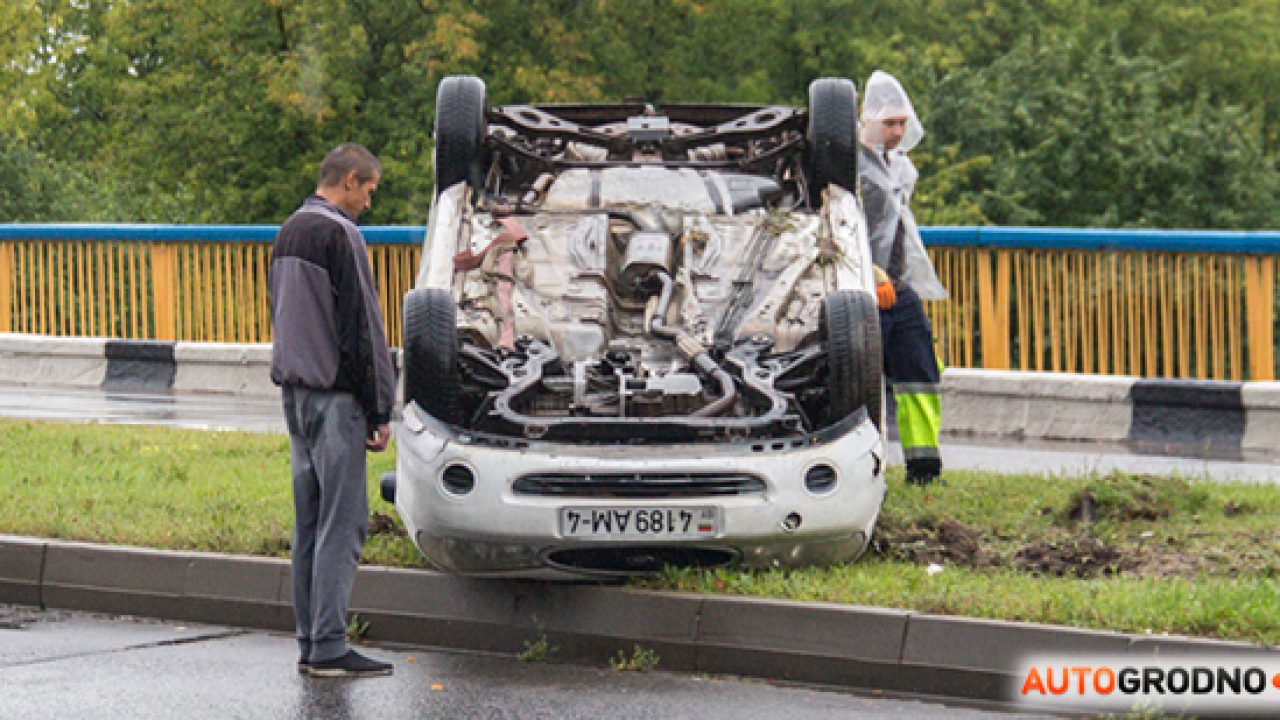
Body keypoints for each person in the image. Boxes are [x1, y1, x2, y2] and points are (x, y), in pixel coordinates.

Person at [269, 143, 396, 677]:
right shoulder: (340, 234)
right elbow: (362, 330)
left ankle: (308, 640)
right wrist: (379, 406)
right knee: (343, 525)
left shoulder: (287, 232)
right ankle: (328, 645)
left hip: (295, 397)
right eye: (368, 190)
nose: (369, 202)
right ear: (349, 180)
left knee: (310, 523)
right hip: (337, 399)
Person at [857, 71, 948, 486]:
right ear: (869, 118)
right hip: (857, 285)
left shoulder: (900, 167)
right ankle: (863, 468)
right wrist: (866, 271)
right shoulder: (847, 162)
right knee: (857, 378)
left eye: (901, 124)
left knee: (920, 373)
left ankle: (924, 468)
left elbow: (899, 228)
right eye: (888, 123)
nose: (896, 131)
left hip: (896, 284)